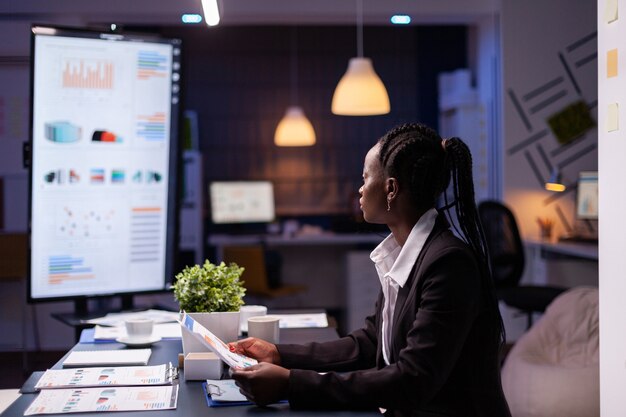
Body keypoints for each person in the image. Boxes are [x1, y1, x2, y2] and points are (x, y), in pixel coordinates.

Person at [230, 122, 512, 417]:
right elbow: (370, 342)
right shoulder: (406, 253)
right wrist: (278, 354)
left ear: (391, 188)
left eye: (365, 177)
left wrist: (291, 385)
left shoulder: (448, 264)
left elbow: (413, 379)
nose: (361, 188)